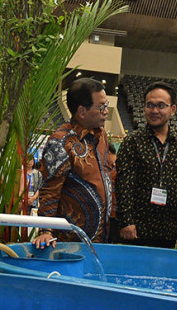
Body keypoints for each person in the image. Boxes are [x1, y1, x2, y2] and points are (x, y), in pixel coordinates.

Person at [33, 79, 115, 246]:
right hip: (70, 242)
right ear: (82, 111)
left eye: (106, 105)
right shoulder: (60, 141)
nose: (106, 111)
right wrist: (45, 231)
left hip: (100, 241)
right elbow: (50, 189)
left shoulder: (102, 137)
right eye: (101, 107)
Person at [116, 82, 177, 248]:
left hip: (168, 231)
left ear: (172, 109)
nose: (154, 111)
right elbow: (123, 185)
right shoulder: (132, 142)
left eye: (161, 106)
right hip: (135, 230)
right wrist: (126, 221)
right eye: (150, 105)